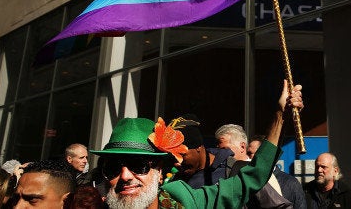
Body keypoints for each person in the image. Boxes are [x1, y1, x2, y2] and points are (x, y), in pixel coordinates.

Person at [91, 80, 303, 208]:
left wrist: (279, 118)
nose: (126, 176)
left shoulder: (185, 200)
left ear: (158, 170)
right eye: (112, 168)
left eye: (139, 166)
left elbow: (252, 177)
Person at [242, 134, 307, 209]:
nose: (247, 157)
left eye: (250, 153)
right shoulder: (246, 180)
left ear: (265, 154)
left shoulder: (291, 183)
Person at [171, 114, 234, 188]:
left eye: (182, 155)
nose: (177, 163)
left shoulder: (232, 171)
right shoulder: (176, 179)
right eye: (173, 157)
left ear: (198, 146)